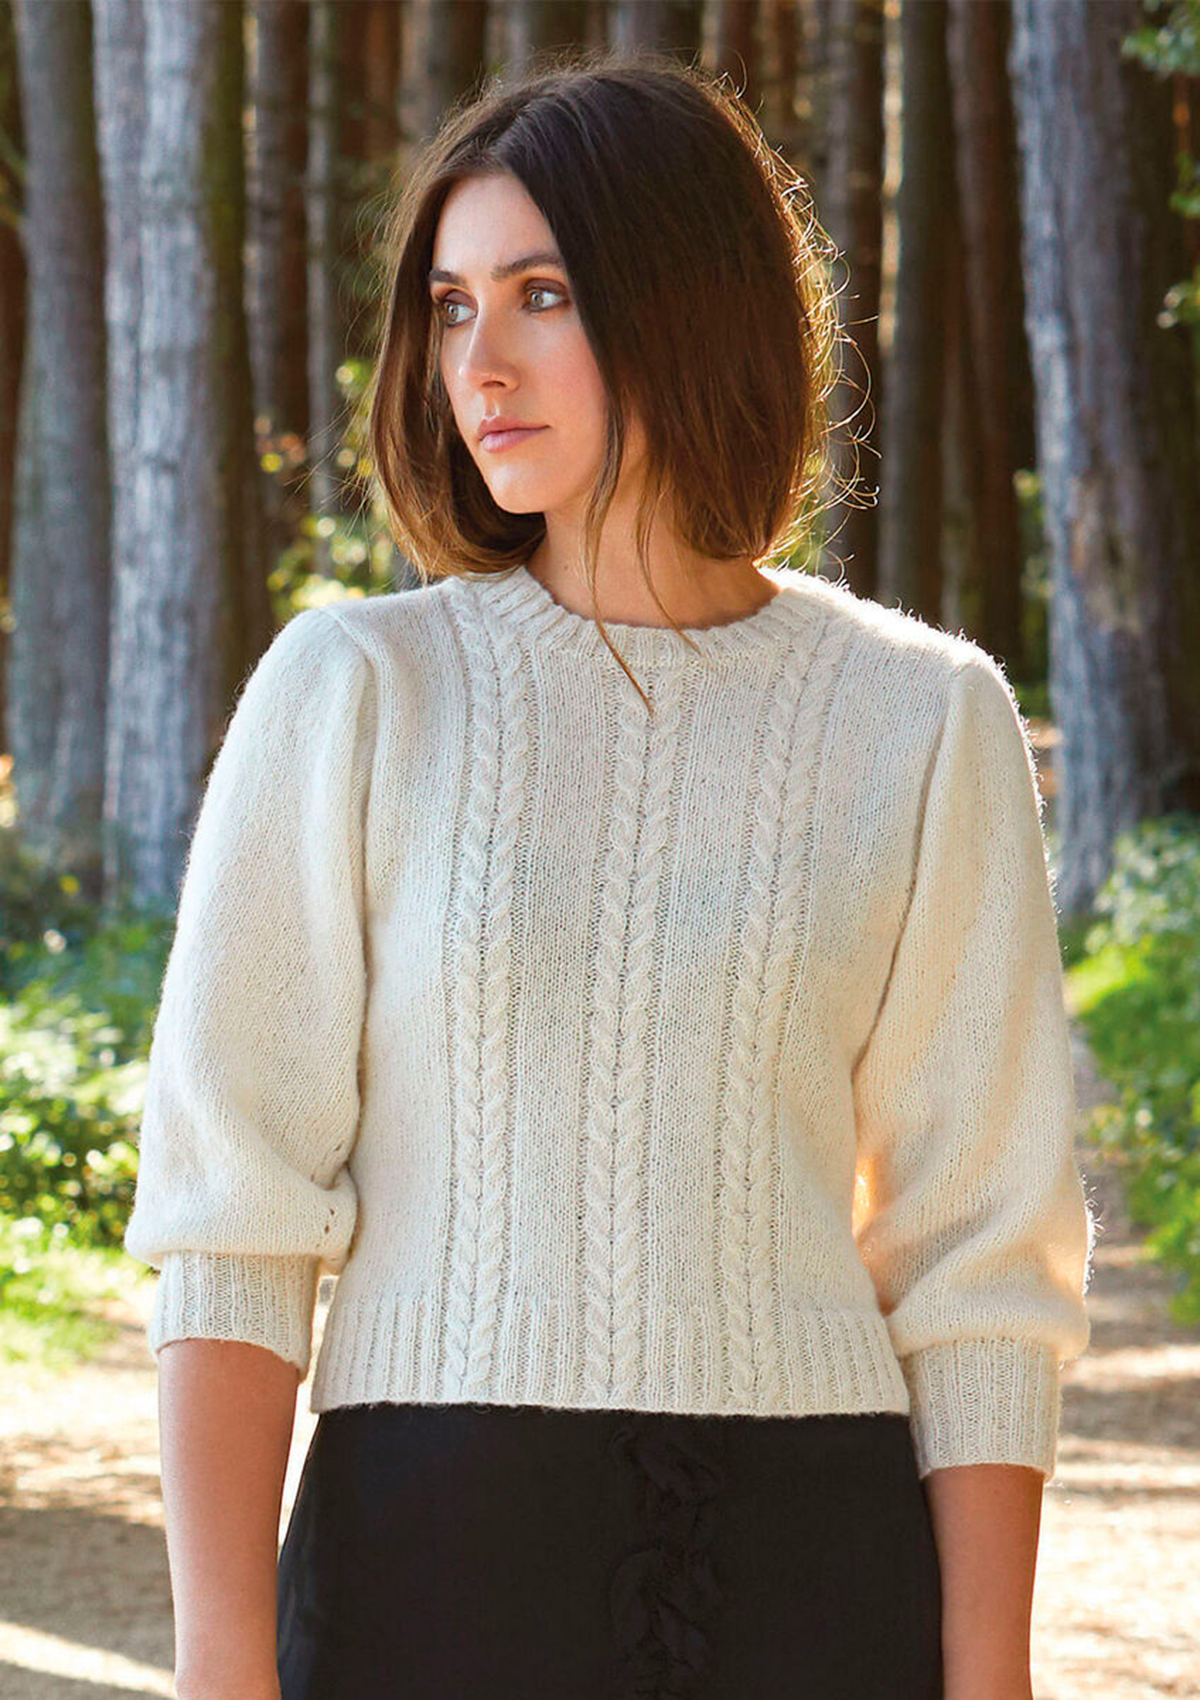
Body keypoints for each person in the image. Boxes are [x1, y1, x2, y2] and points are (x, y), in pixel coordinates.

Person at [123, 46, 1095, 1700]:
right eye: (450, 307)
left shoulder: (925, 719)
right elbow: (236, 1217)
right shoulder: (359, 690)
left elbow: (981, 1251)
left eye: (542, 295)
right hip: (434, 1554)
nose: (478, 363)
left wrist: (986, 1674)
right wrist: (223, 1666)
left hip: (816, 1558)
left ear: (687, 300)